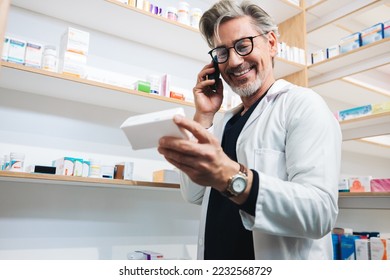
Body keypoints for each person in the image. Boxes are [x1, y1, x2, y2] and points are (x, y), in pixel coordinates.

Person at [158, 0, 342, 260]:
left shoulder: (303, 105)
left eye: (243, 45)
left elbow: (319, 214)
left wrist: (232, 178)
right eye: (221, 52)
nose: (233, 61)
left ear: (272, 43)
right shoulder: (224, 123)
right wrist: (203, 116)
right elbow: (193, 193)